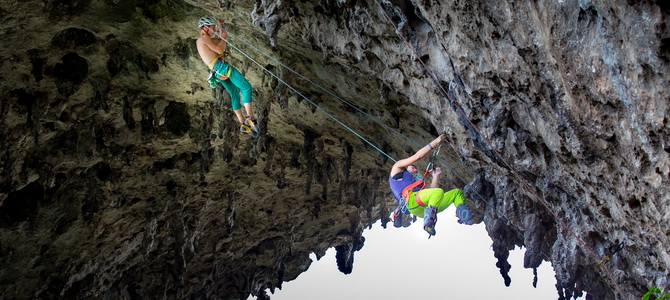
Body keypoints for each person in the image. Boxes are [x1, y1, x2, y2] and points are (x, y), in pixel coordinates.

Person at [389, 134, 467, 237]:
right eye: (413, 167)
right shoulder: (397, 169)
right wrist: (437, 141)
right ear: (407, 166)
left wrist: (435, 176)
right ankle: (428, 222)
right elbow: (418, 156)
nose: (416, 170)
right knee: (439, 191)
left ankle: (465, 216)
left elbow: (433, 195)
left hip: (421, 209)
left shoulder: (414, 184)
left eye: (416, 169)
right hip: (412, 201)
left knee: (456, 193)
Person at [196, 16, 258, 134]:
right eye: (212, 28)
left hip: (216, 72)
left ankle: (243, 124)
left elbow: (221, 44)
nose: (213, 31)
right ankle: (251, 119)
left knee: (234, 93)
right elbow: (220, 49)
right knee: (246, 87)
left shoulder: (203, 39)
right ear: (205, 28)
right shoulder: (204, 38)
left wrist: (221, 28)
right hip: (222, 68)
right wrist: (223, 37)